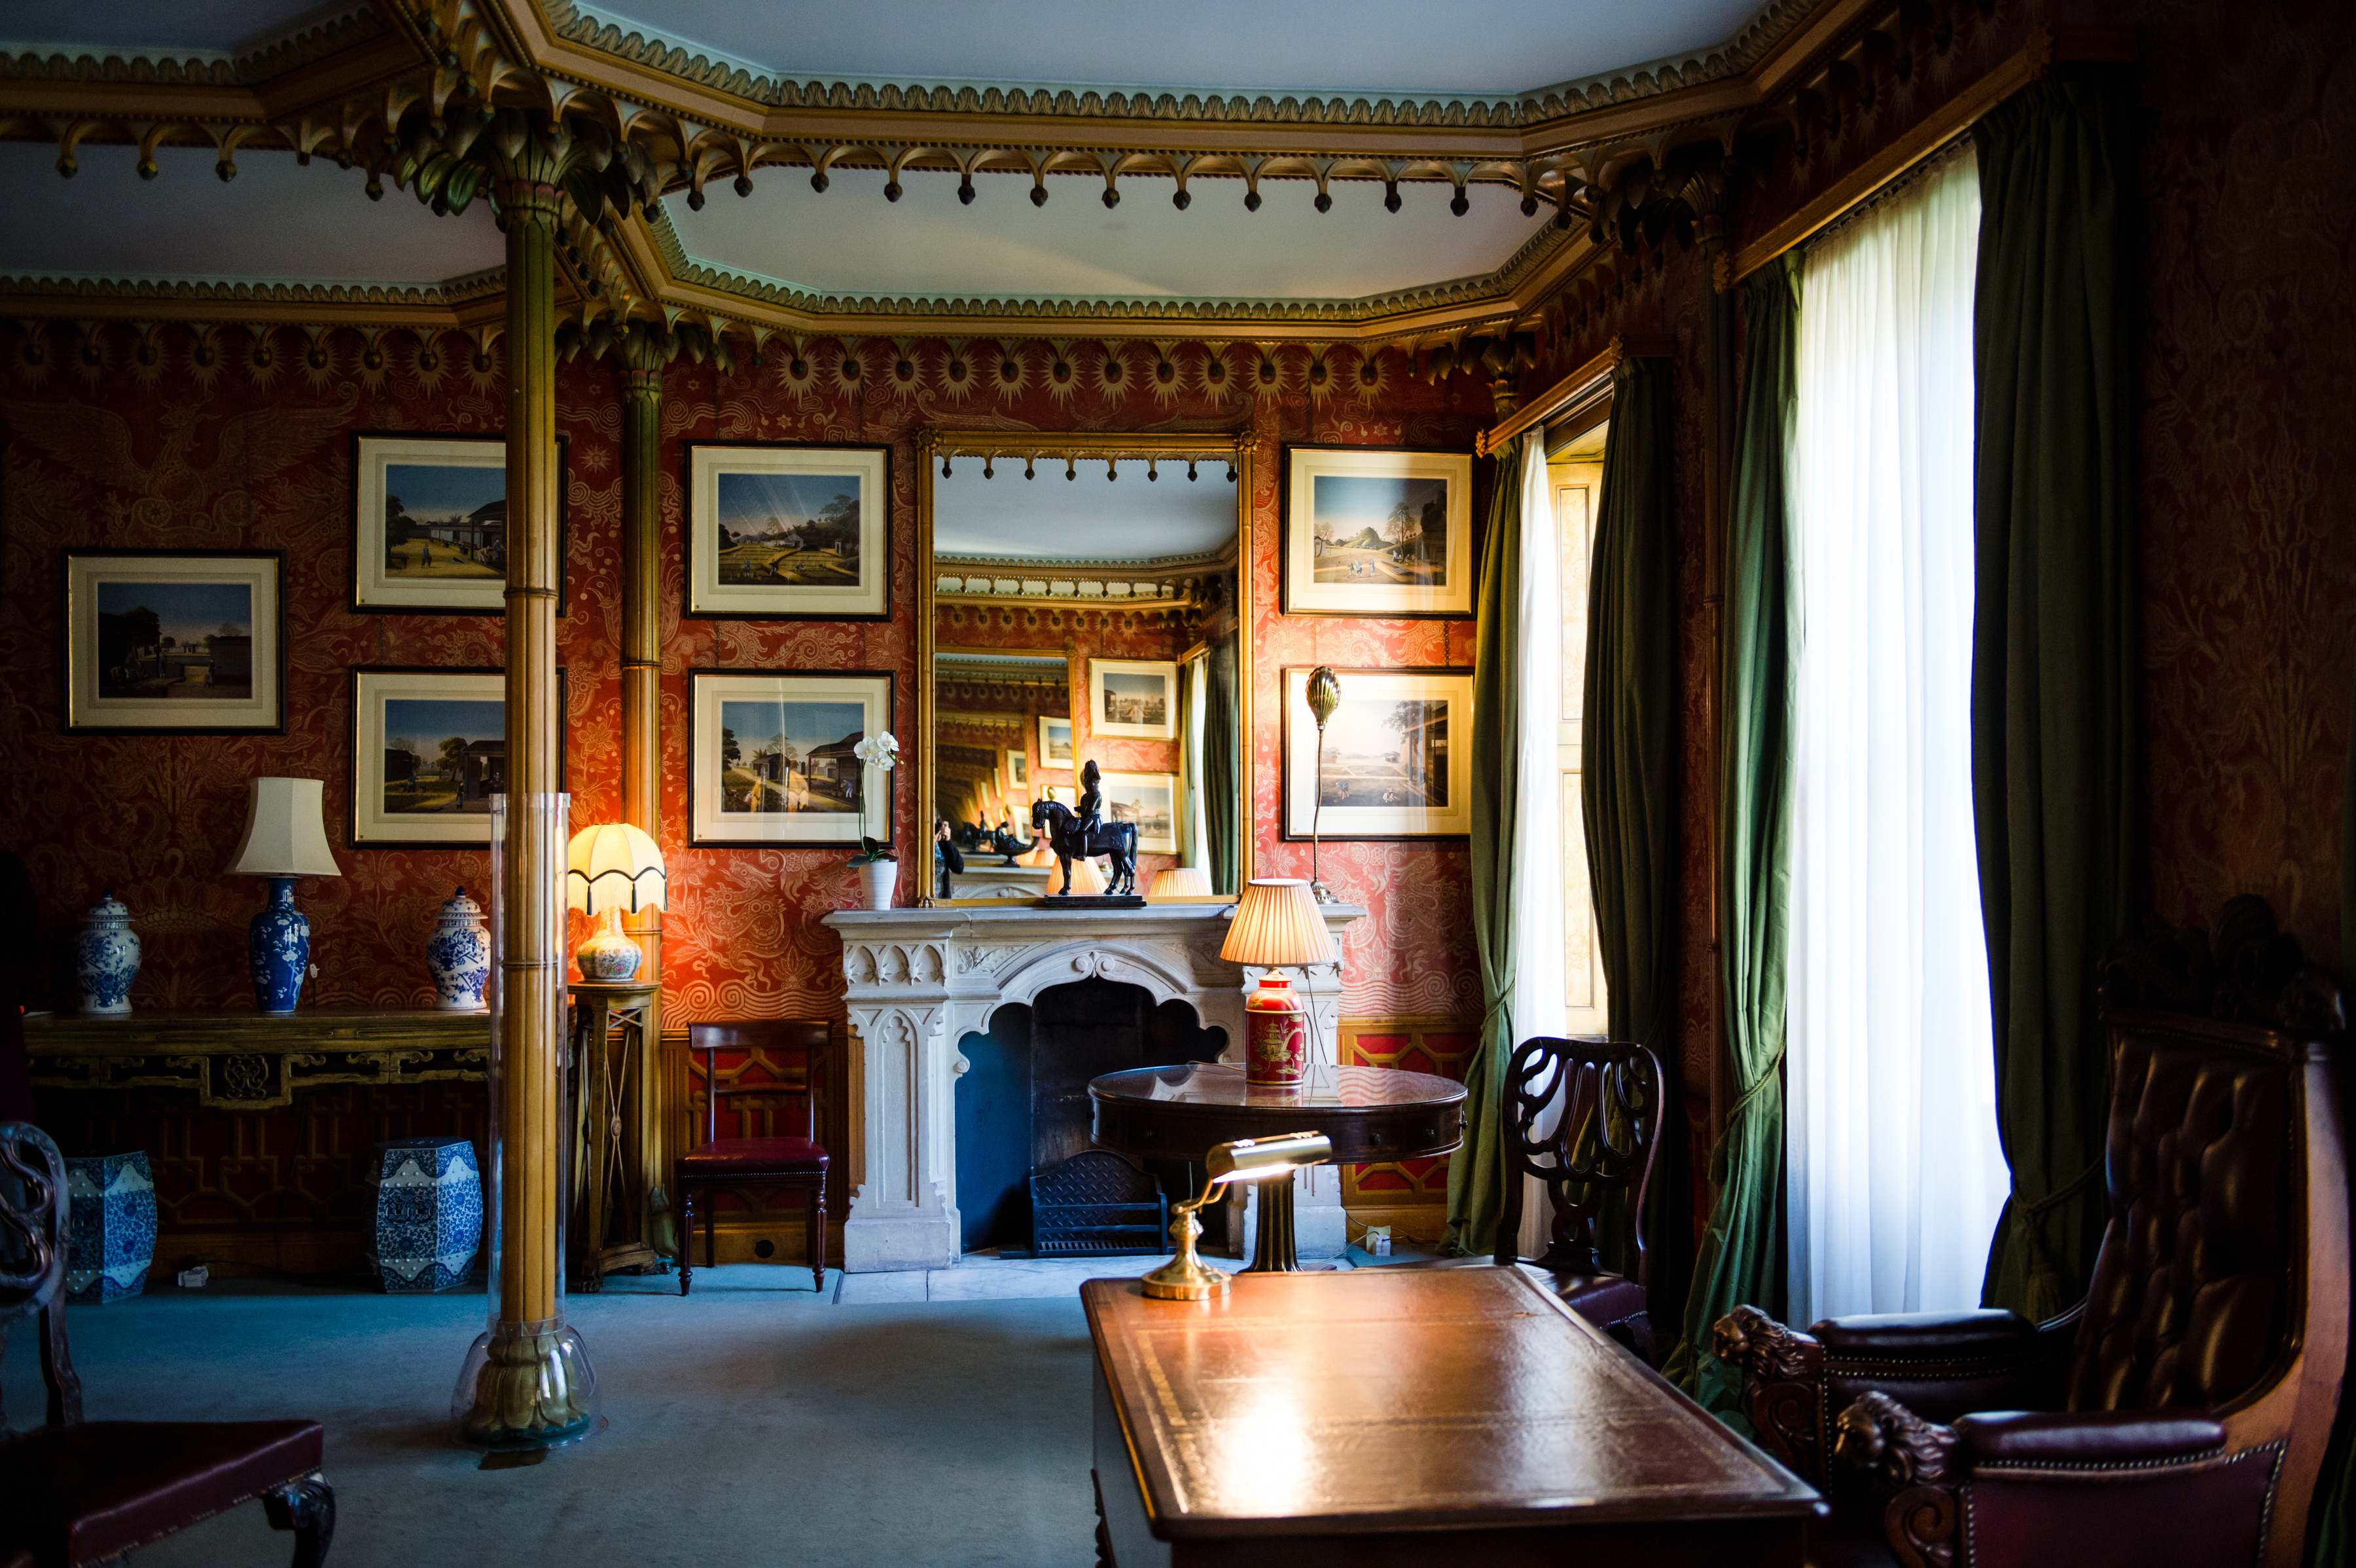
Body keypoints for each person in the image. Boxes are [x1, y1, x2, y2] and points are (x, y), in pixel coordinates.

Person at [1075, 760, 1104, 851]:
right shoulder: (1086, 796)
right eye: (1087, 782)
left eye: (1090, 783)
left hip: (1094, 817)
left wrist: (1081, 809)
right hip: (1086, 816)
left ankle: (1083, 853)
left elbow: (1090, 810)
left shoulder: (1096, 795)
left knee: (1083, 830)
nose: (1088, 785)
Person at [934, 818, 964, 900]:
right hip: (925, 899)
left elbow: (959, 869)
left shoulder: (943, 844)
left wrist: (948, 840)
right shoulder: (918, 842)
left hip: (943, 899)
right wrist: (930, 844)